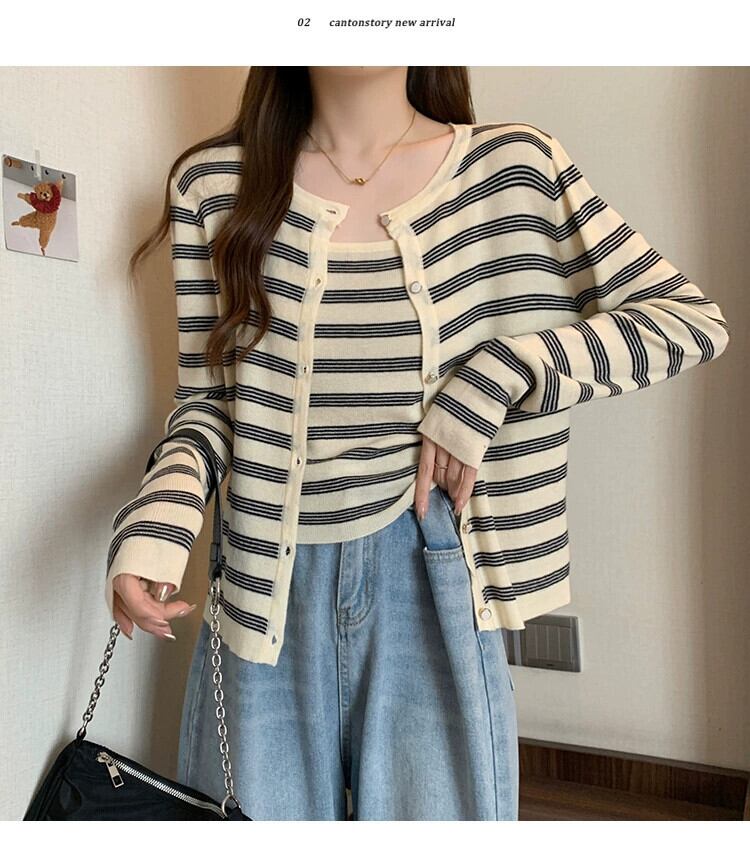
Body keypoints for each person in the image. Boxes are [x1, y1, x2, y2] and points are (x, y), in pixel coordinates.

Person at [103, 67, 730, 821]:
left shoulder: (514, 168)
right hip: (262, 583)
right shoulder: (213, 186)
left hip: (433, 573)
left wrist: (499, 373)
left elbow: (687, 322)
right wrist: (158, 523)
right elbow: (208, 406)